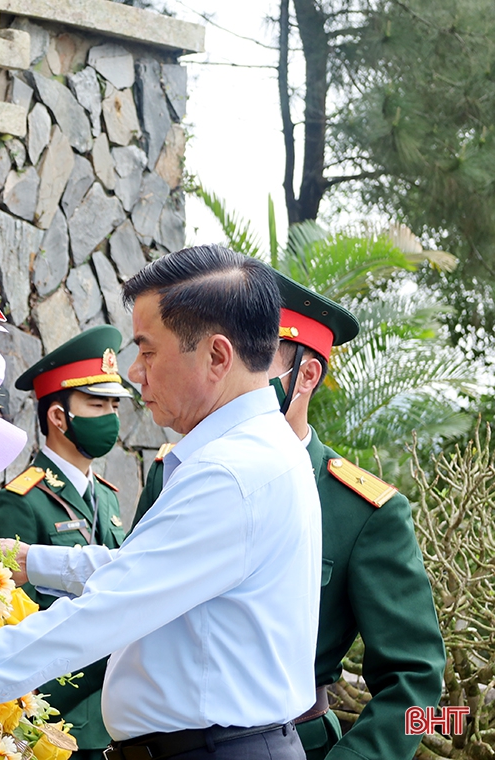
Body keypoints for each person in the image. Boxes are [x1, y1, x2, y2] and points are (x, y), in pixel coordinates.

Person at [0, 244, 322, 760]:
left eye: (148, 351)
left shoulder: (230, 473)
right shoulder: (263, 451)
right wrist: (33, 561)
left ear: (217, 356)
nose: (135, 372)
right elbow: (150, 568)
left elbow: (102, 613)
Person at [131, 272, 445, 760]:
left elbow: (419, 682)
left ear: (307, 376)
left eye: (261, 359)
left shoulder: (362, 510)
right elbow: (125, 602)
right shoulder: (175, 472)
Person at [0, 324, 132, 759]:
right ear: (58, 417)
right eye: (96, 404)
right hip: (55, 723)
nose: (110, 417)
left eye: (113, 405)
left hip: (113, 721)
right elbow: (4, 620)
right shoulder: (20, 502)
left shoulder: (107, 497)